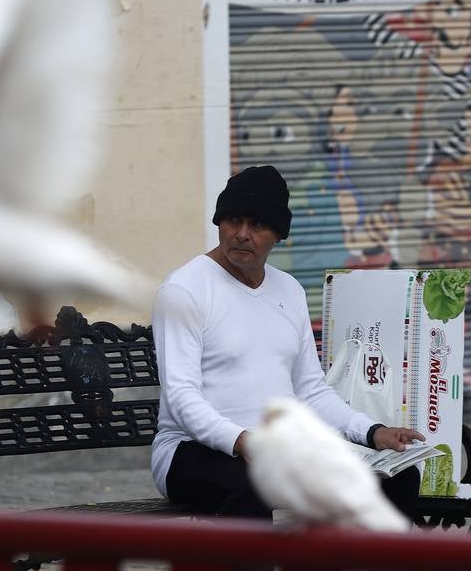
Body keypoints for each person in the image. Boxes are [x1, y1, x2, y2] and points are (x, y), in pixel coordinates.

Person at [151, 164, 425, 520]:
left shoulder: (289, 290)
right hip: (190, 451)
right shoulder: (185, 289)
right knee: (253, 486)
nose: (242, 234)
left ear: (279, 234)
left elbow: (310, 390)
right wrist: (242, 441)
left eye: (257, 225)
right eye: (233, 221)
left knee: (399, 479)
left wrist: (373, 433)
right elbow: (182, 396)